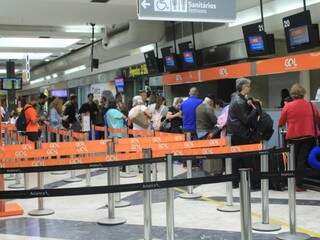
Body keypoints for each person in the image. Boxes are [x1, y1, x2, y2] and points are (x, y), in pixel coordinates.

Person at [279, 84, 320, 192]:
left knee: (292, 159)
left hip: (293, 138)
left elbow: (281, 122)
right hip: (308, 137)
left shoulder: (288, 106)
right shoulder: (311, 105)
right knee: (302, 160)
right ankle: (299, 184)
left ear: (292, 94)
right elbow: (318, 120)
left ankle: (291, 181)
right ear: (303, 93)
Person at [227, 78, 260, 188]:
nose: (250, 88)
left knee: (236, 159)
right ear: (243, 87)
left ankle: (235, 182)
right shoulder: (239, 101)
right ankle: (253, 183)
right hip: (240, 134)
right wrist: (256, 109)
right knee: (247, 158)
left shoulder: (236, 98)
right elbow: (246, 120)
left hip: (235, 132)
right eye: (248, 86)